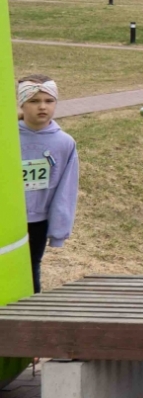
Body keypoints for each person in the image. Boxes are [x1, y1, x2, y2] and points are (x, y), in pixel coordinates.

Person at [17, 76, 79, 295]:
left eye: (48, 100)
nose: (42, 106)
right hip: (6, 219)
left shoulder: (65, 143)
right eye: (34, 101)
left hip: (37, 223)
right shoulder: (6, 137)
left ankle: (29, 318)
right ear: (21, 104)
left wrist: (59, 231)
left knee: (30, 270)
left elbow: (66, 191)